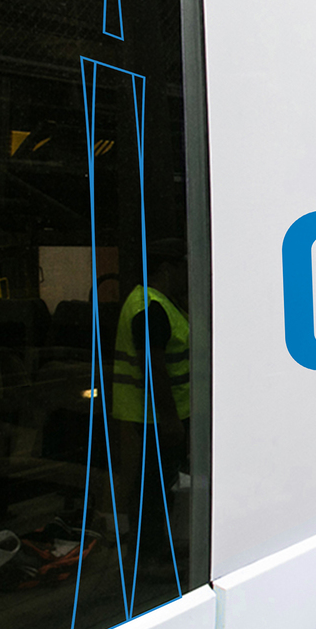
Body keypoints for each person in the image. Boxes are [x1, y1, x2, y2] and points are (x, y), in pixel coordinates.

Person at [110, 239, 190, 579]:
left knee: (156, 487)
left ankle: (154, 549)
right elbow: (153, 369)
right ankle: (148, 559)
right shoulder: (151, 308)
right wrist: (170, 420)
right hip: (153, 418)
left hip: (151, 415)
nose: (187, 275)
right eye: (183, 267)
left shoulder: (152, 302)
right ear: (167, 269)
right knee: (153, 491)